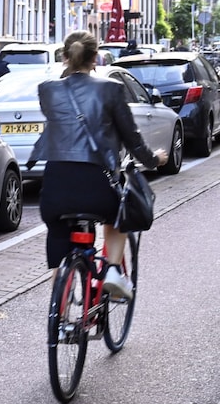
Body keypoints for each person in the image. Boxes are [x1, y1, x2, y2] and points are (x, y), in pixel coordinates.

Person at [34, 30, 168, 300]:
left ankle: (61, 300)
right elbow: (133, 139)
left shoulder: (46, 90)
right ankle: (113, 272)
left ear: (64, 56)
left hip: (56, 186)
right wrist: (155, 160)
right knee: (120, 214)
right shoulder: (111, 89)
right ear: (96, 58)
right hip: (98, 183)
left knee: (59, 231)